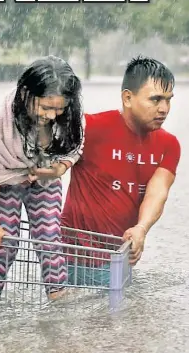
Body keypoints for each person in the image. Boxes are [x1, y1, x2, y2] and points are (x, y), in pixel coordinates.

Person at [0, 56, 84, 302]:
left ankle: (59, 298)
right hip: (4, 179)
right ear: (25, 93)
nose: (53, 115)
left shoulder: (70, 115)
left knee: (49, 236)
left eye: (59, 108)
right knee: (5, 242)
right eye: (45, 107)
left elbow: (74, 147)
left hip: (44, 178)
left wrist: (58, 169)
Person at [62, 56, 180, 285]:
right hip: (71, 256)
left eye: (168, 100)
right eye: (155, 99)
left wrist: (141, 228)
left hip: (117, 259)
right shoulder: (89, 128)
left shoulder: (169, 145)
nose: (164, 108)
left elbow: (158, 192)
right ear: (128, 97)